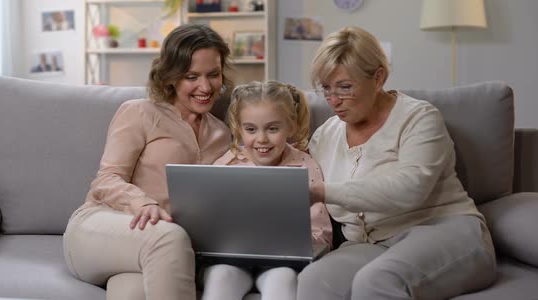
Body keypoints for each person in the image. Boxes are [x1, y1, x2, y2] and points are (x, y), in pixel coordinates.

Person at [297, 26, 496, 300]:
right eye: (326, 88)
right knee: (313, 281)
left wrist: (322, 191)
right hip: (368, 243)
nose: (334, 101)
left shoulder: (419, 118)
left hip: (442, 229)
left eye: (345, 87)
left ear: (378, 78)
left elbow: (410, 189)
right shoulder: (325, 136)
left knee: (376, 281)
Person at [63, 23, 234, 300]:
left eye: (213, 74)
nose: (205, 87)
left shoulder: (222, 133)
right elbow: (105, 180)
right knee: (169, 238)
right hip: (100, 227)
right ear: (170, 76)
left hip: (152, 245)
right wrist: (141, 201)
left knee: (132, 293)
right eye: (192, 76)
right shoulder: (139, 112)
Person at [202, 81, 333, 300]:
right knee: (219, 277)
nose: (261, 139)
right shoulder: (226, 164)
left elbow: (321, 232)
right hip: (231, 261)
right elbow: (208, 222)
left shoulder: (305, 165)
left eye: (272, 129)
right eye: (251, 129)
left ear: (290, 126)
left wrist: (301, 246)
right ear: (239, 128)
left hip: (282, 262)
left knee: (283, 280)